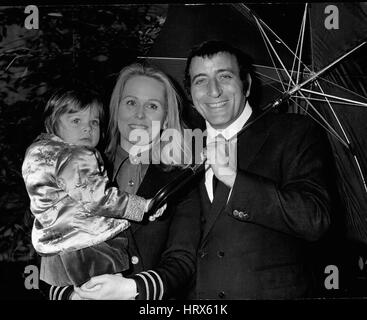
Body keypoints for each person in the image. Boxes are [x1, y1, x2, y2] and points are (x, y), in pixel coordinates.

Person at [183, 40, 332, 299]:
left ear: (247, 84)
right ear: (191, 94)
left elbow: (314, 219)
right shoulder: (183, 144)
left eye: (225, 76)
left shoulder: (294, 132)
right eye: (200, 80)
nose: (214, 91)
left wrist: (232, 177)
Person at [45, 63, 201, 300]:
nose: (139, 114)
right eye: (130, 102)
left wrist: (131, 288)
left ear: (167, 116)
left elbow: (183, 261)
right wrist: (70, 296)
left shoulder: (181, 181)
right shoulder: (72, 168)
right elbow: (47, 244)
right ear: (115, 108)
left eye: (152, 105)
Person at [22, 89, 164, 288]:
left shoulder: (37, 154)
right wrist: (143, 206)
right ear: (52, 124)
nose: (87, 128)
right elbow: (99, 199)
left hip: (54, 250)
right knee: (108, 291)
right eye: (76, 121)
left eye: (94, 122)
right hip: (88, 245)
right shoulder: (76, 156)